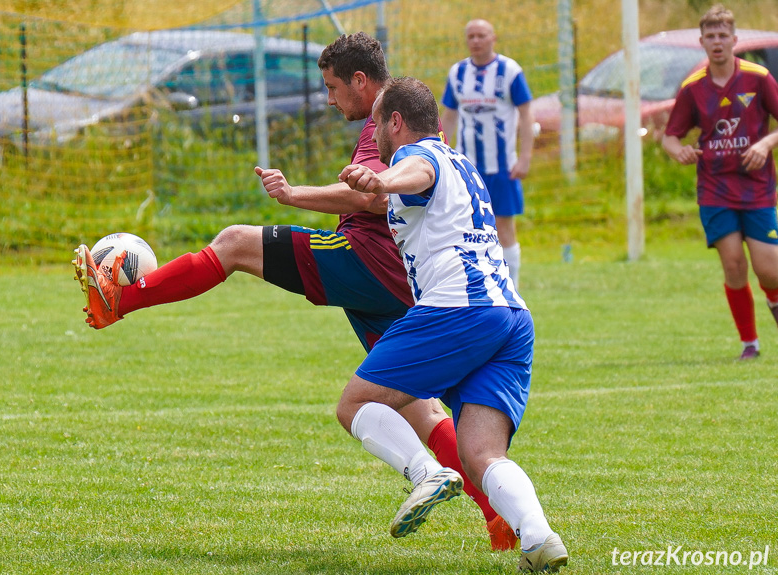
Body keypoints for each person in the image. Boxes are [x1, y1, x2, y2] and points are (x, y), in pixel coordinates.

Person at [73, 31, 516, 549]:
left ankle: (120, 298)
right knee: (418, 406)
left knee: (236, 242)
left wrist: (294, 195)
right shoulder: (406, 113)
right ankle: (498, 516)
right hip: (400, 282)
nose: (329, 99)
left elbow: (374, 197)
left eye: (332, 87)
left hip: (368, 261)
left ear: (360, 81)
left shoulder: (388, 119)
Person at [337, 76, 567, 572]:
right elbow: (385, 195)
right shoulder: (461, 160)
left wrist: (384, 179)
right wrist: (294, 196)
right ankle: (539, 537)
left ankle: (426, 473)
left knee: (354, 404)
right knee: (482, 454)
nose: (373, 133)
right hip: (511, 317)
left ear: (395, 122)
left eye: (377, 121)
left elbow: (414, 173)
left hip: (458, 310)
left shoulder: (412, 157)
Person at [662, 4, 778, 360]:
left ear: (734, 40)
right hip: (714, 189)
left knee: (769, 268)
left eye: (723, 36)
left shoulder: (758, 78)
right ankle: (750, 344)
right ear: (701, 41)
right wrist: (677, 150)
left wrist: (765, 142)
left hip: (757, 187)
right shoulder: (692, 88)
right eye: (710, 36)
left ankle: (773, 302)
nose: (717, 42)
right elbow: (670, 136)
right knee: (733, 264)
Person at [440, 19, 534, 289]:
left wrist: (525, 157)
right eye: (471, 36)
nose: (476, 41)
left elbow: (527, 114)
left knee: (504, 228)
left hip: (502, 166)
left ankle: (511, 289)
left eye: (481, 35)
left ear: (493, 38)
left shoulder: (510, 71)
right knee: (464, 228)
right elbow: (449, 116)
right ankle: (473, 285)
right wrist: (441, 153)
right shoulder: (457, 73)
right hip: (467, 169)